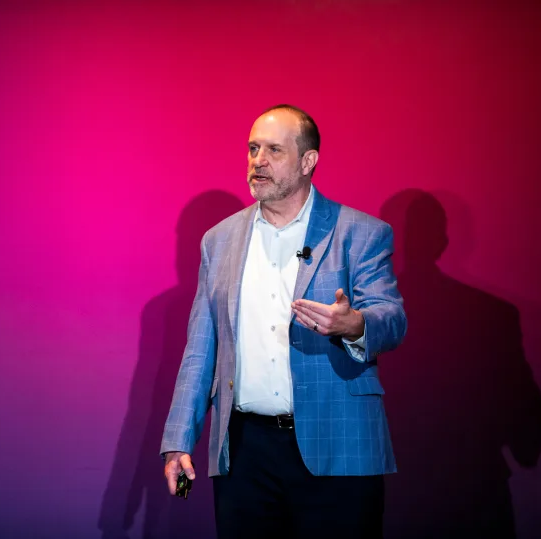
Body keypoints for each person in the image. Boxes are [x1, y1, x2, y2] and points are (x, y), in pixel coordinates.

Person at [159, 104, 407, 539]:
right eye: (253, 148)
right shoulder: (218, 241)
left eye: (274, 149)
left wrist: (354, 324)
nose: (258, 160)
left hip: (338, 444)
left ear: (308, 161)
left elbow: (392, 318)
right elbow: (200, 348)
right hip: (245, 454)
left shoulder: (361, 233)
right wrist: (179, 439)